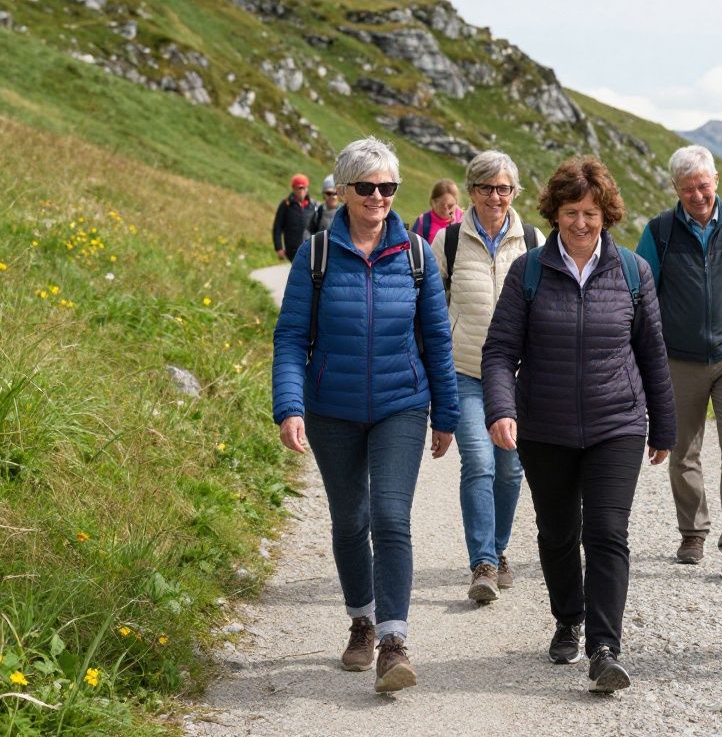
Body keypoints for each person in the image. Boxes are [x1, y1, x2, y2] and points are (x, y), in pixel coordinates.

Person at [272, 137, 460, 694]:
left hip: (402, 404)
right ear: (346, 191)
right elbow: (290, 339)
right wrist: (289, 406)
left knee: (390, 516)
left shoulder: (417, 256)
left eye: (388, 187)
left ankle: (394, 643)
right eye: (366, 187)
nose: (378, 196)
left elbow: (437, 341)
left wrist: (445, 412)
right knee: (350, 518)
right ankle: (361, 620)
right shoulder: (319, 254)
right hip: (331, 409)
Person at [482, 156, 675, 693]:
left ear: (606, 213)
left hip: (616, 423)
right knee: (558, 532)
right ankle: (568, 618)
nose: (582, 223)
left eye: (591, 212)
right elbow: (499, 351)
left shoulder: (633, 272)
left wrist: (663, 426)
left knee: (608, 533)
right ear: (555, 213)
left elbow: (652, 354)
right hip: (544, 427)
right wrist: (500, 408)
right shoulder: (529, 272)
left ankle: (604, 647)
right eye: (571, 212)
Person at [635, 145, 722, 575]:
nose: (697, 195)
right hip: (679, 358)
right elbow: (641, 294)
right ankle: (693, 533)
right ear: (675, 188)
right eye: (688, 188)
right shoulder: (660, 232)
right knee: (683, 449)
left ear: (716, 181)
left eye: (703, 186)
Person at [430, 151, 545, 604]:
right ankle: (482, 562)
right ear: (471, 190)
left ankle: (497, 551)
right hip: (465, 369)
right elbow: (433, 306)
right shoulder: (451, 240)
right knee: (477, 461)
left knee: (510, 468)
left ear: (514, 192)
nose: (494, 197)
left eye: (503, 189)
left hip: (517, 376)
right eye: (485, 188)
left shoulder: (533, 240)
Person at [272, 173, 314, 261]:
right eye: (299, 188)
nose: (301, 191)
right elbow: (277, 227)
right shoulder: (286, 205)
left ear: (307, 189)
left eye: (304, 188)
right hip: (292, 251)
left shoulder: (312, 205)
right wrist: (278, 248)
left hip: (310, 249)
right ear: (293, 188)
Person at [410, 178, 465, 243]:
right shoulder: (423, 222)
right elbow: (412, 246)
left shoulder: (464, 220)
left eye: (450, 206)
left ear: (456, 203)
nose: (446, 210)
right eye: (442, 205)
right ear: (433, 202)